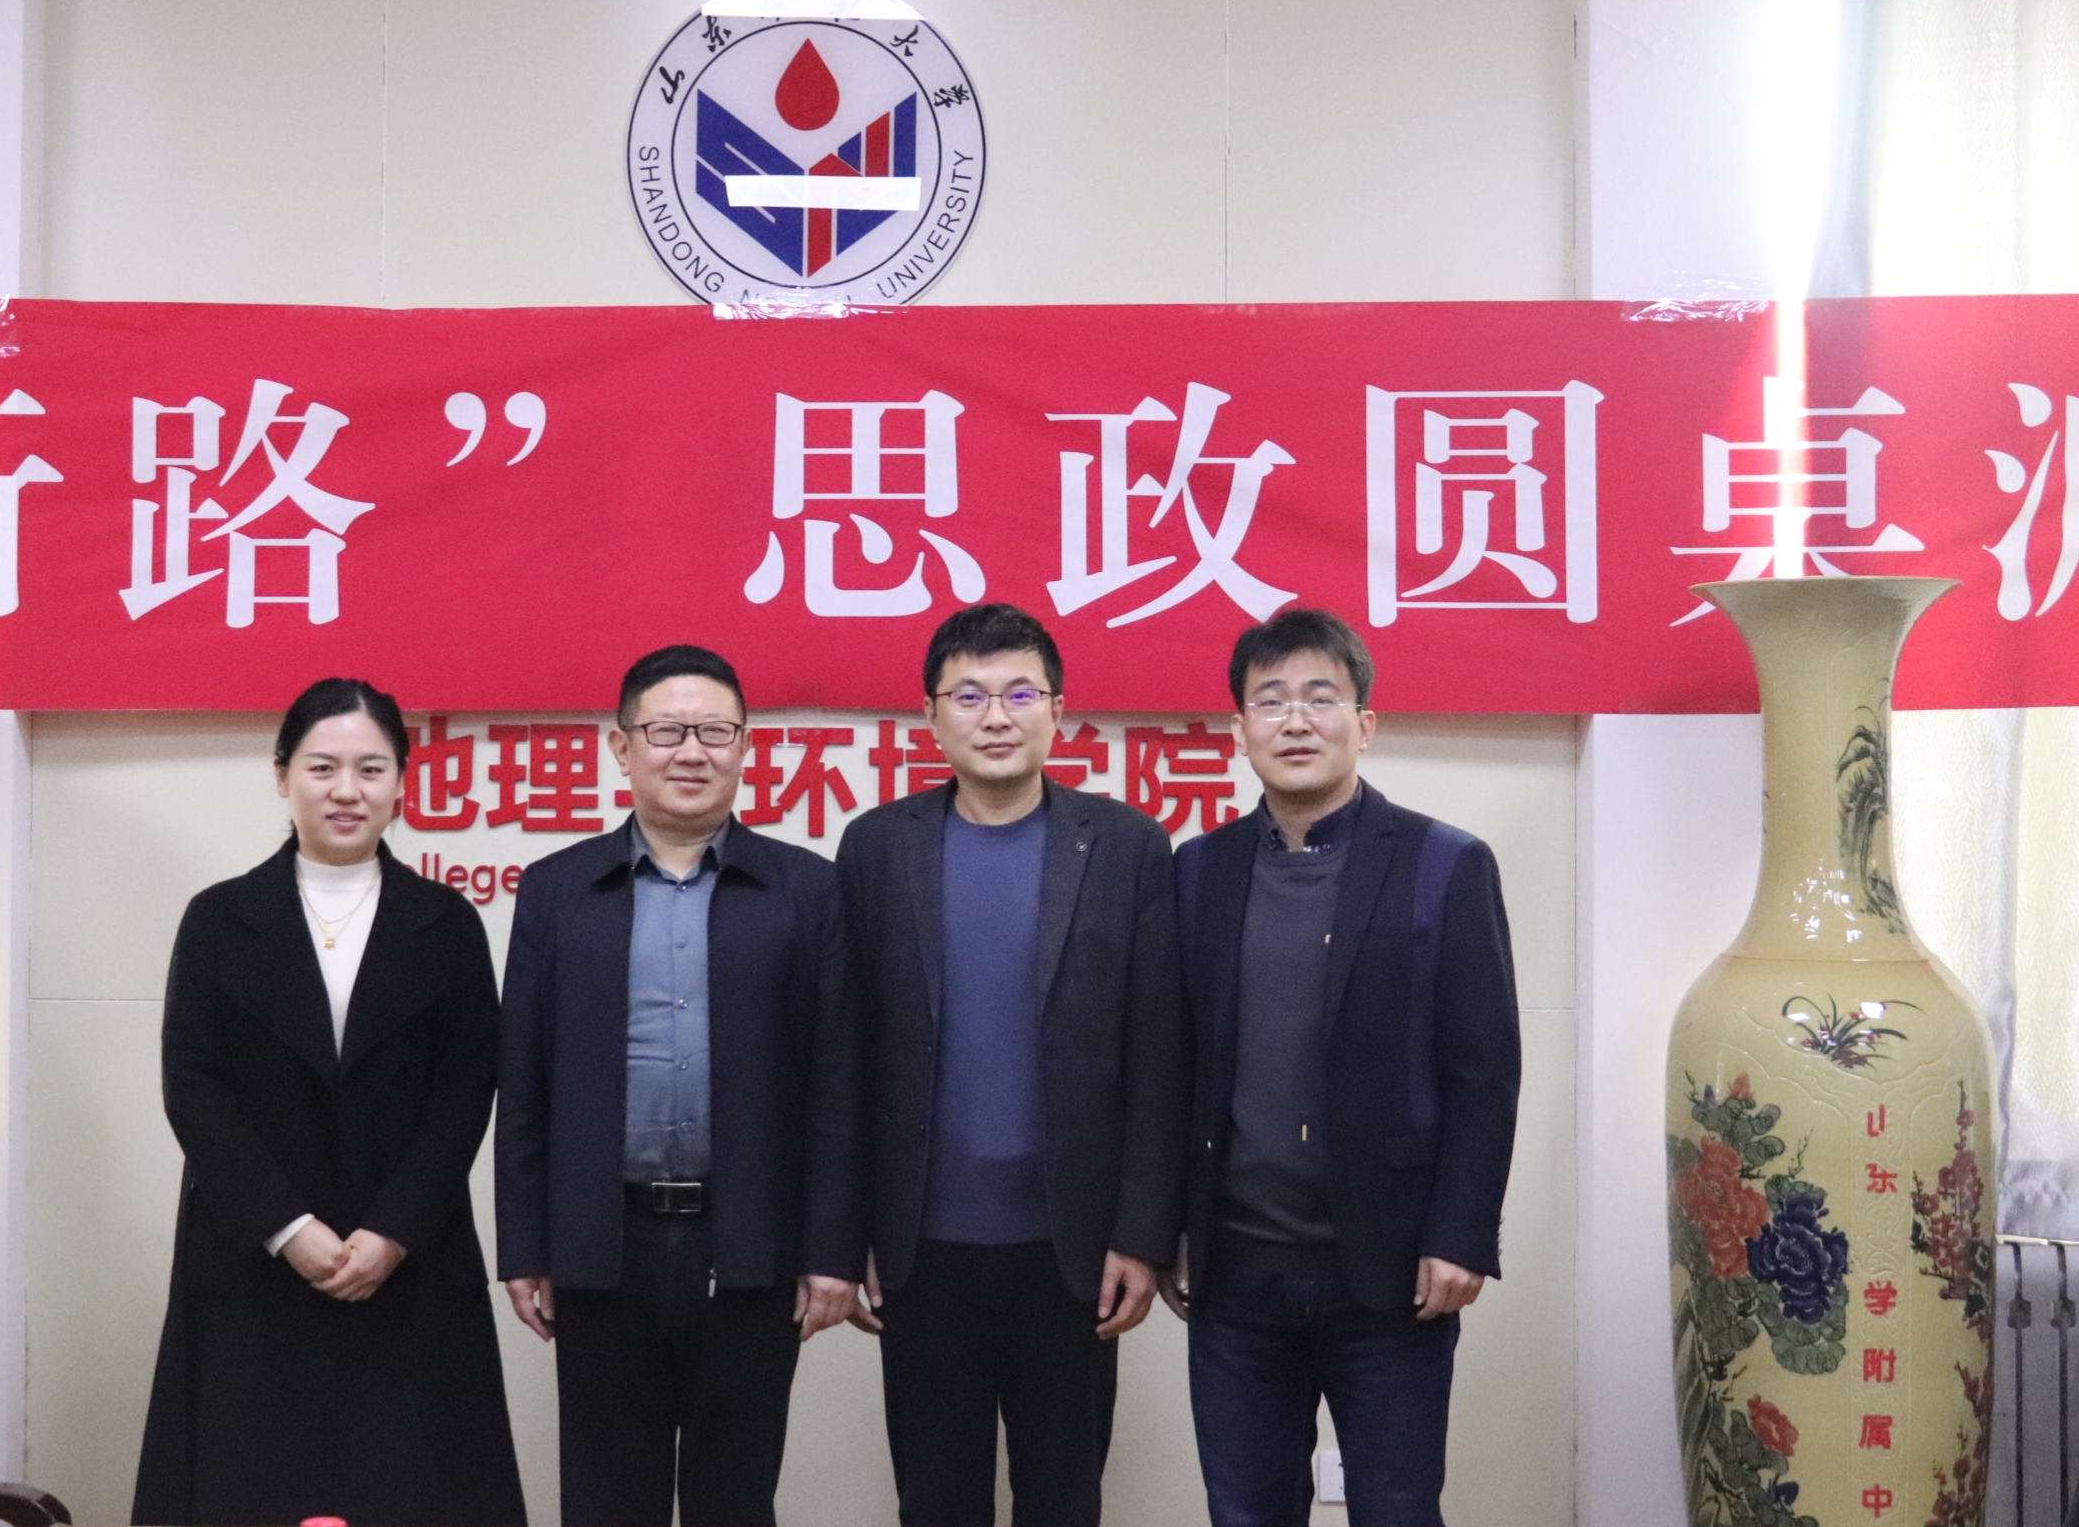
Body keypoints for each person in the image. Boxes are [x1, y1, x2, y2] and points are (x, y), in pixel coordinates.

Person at [133, 677, 526, 1527]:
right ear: (282, 776)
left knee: (408, 1485)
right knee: (253, 1488)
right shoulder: (219, 919)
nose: (347, 790)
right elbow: (192, 1086)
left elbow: (467, 1090)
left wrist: (391, 1234)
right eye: (322, 768)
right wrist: (288, 1229)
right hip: (254, 1260)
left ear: (401, 783)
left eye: (370, 769)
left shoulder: (447, 923)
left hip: (407, 1265)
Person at [1163, 609, 1521, 1527]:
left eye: (1319, 698)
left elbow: (1484, 1071)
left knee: (1397, 1509)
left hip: (1391, 1271)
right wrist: (1166, 1228)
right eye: (1269, 700)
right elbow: (1172, 1063)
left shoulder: (1444, 864)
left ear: (1363, 724)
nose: (1294, 721)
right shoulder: (1196, 872)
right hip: (1235, 1273)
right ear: (1238, 728)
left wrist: (1461, 1234)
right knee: (1246, 1511)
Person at [835, 602, 1186, 1527]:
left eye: (1020, 693)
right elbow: (847, 1053)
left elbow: (1157, 1054)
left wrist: (1142, 1235)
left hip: (1074, 1253)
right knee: (935, 1502)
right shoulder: (876, 847)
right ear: (930, 715)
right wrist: (846, 1229)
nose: (996, 716)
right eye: (969, 695)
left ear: (1057, 711)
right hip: (918, 1249)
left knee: (1063, 1501)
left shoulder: (1126, 847)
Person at [496, 644, 863, 1527]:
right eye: (666, 731)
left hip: (750, 1243)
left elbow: (836, 1084)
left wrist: (832, 1250)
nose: (690, 752)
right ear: (621, 748)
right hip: (600, 1241)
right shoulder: (555, 892)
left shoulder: (807, 891)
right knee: (604, 1499)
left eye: (714, 732)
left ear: (745, 748)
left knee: (734, 1498)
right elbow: (525, 1083)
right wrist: (525, 1246)